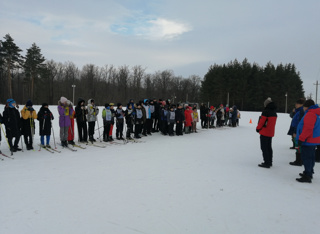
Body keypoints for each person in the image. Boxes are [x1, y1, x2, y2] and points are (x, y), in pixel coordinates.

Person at [295, 99, 320, 183]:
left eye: (304, 106)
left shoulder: (310, 114)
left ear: (307, 107)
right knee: (311, 157)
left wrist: (301, 139)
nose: (303, 108)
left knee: (307, 158)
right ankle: (308, 171)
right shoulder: (315, 113)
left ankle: (307, 175)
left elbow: (308, 128)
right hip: (312, 139)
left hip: (308, 140)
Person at [256, 97, 277, 168]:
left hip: (264, 132)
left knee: (264, 147)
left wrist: (258, 128)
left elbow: (262, 121)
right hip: (270, 132)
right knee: (269, 147)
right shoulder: (274, 112)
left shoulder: (265, 111)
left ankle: (266, 162)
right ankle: (270, 161)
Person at [287, 98, 305, 166]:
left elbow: (299, 123)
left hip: (297, 131)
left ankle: (299, 161)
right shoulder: (298, 111)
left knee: (298, 145)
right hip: (295, 129)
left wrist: (295, 131)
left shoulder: (301, 111)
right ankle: (299, 160)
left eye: (297, 104)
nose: (296, 105)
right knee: (297, 144)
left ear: (301, 104)